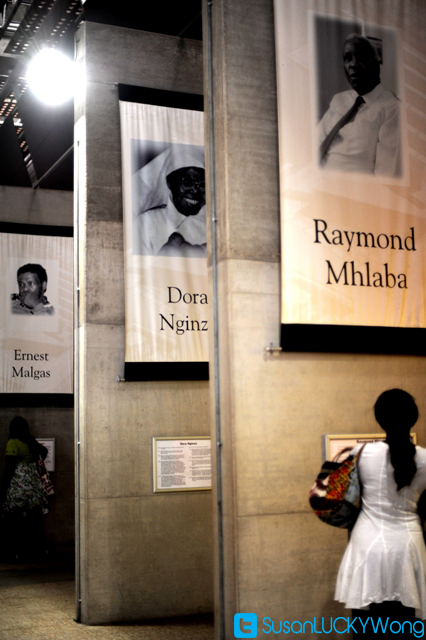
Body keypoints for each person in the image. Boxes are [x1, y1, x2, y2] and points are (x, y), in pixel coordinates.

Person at [335, 389, 426, 637]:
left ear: (380, 418)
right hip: (409, 547)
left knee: (367, 628)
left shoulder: (359, 453)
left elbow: (329, 498)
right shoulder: (425, 458)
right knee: (406, 627)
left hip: (368, 545)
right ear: (413, 418)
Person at [318, 33, 400, 176]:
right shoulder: (338, 100)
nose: (353, 65)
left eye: (361, 57)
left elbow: (385, 174)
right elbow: (314, 144)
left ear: (376, 63)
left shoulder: (391, 108)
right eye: (347, 58)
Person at [133, 144, 206, 258]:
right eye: (187, 182)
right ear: (170, 183)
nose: (195, 191)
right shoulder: (145, 224)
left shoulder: (208, 228)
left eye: (202, 185)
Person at [0, 417, 49, 562]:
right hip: (34, 487)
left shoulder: (13, 442)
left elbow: (9, 468)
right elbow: (44, 451)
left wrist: (3, 489)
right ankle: (37, 551)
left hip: (18, 487)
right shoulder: (31, 442)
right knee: (34, 521)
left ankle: (16, 552)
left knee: (15, 521)